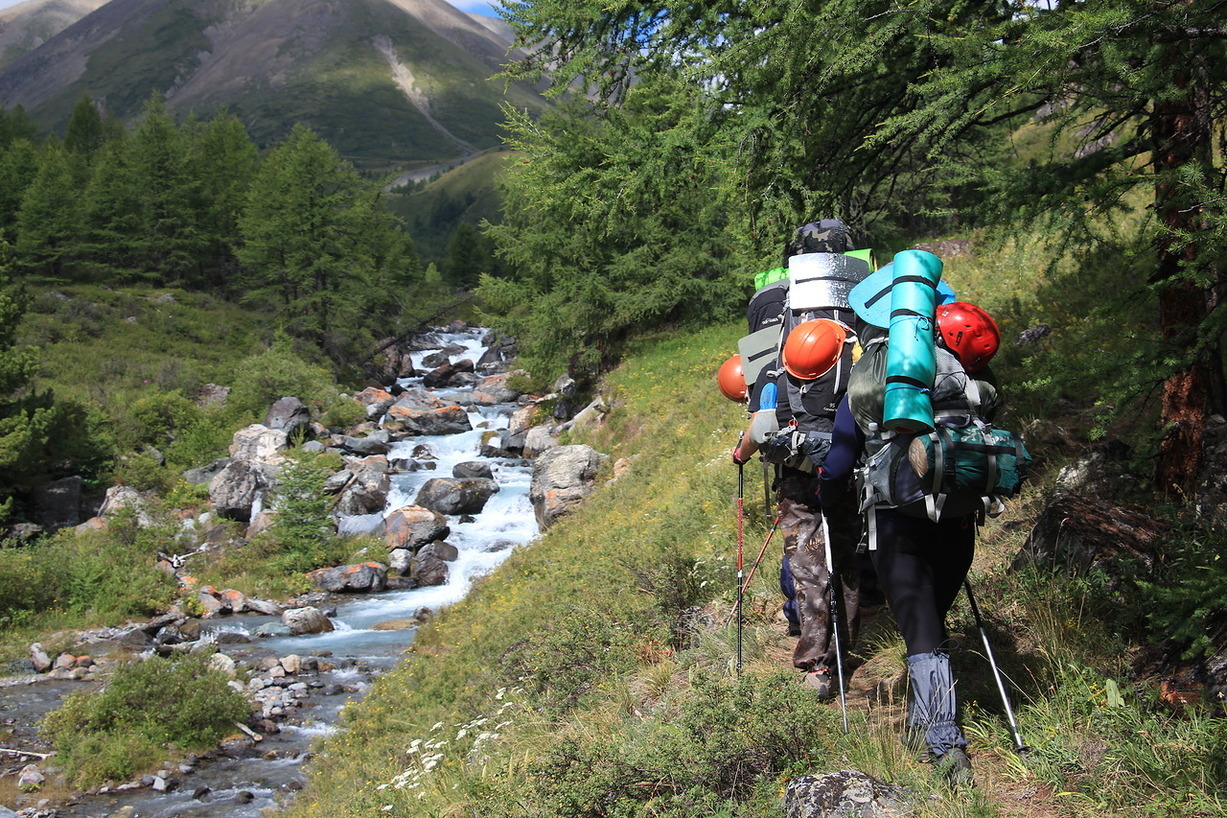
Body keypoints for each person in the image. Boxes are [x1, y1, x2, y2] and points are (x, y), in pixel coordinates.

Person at [817, 300, 1004, 786]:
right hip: (959, 515)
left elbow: (839, 461)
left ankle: (947, 746)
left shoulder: (868, 384)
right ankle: (925, 723)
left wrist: (828, 498)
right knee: (931, 620)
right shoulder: (965, 380)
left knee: (921, 630)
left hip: (896, 521)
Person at [731, 219, 868, 698]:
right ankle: (842, 654)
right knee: (847, 549)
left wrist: (745, 450)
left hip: (796, 457)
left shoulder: (773, 310)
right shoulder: (867, 305)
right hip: (855, 452)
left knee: (809, 559)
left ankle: (816, 664)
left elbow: (760, 401)